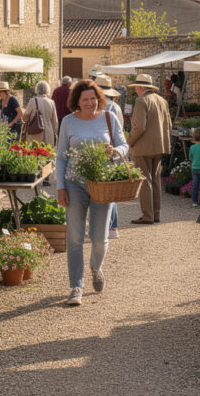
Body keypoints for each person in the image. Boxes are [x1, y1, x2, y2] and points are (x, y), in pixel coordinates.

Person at [56, 79, 129, 306]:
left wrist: (116, 150)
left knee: (99, 238)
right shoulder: (68, 122)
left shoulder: (110, 117)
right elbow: (60, 156)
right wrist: (60, 187)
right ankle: (76, 286)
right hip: (74, 184)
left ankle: (96, 267)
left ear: (99, 98)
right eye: (85, 99)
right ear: (77, 101)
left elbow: (124, 145)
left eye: (93, 98)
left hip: (103, 183)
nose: (90, 102)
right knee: (75, 237)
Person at [127, 74, 171, 224]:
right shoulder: (162, 100)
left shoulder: (141, 101)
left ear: (140, 88)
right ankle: (156, 214)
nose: (135, 91)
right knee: (155, 180)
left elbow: (139, 127)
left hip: (143, 147)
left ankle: (148, 215)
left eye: (136, 88)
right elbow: (169, 125)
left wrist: (129, 142)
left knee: (145, 181)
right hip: (160, 146)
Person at [94, 74, 124, 238]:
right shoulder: (116, 107)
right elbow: (120, 132)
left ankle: (109, 226)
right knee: (110, 190)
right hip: (114, 151)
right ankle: (112, 227)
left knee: (103, 191)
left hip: (104, 151)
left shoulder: (103, 108)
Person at [23, 81, 59, 146]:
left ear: (37, 89)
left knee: (35, 153)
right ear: (47, 90)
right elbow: (55, 121)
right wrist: (54, 133)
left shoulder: (32, 101)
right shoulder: (51, 102)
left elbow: (25, 118)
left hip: (35, 133)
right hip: (48, 133)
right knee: (47, 153)